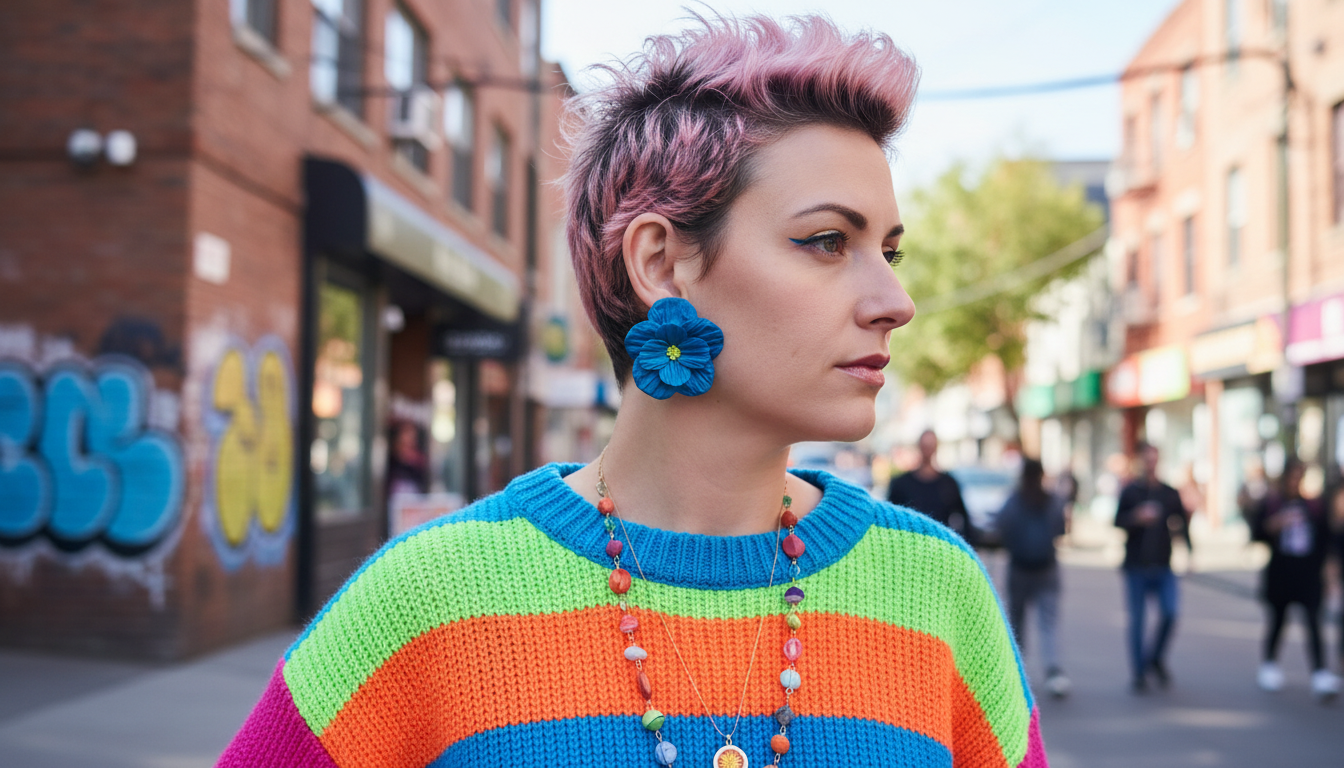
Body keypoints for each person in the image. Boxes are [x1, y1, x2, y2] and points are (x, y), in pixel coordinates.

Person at [217, 14, 1047, 768]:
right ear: (659, 262)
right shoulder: (430, 599)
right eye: (828, 241)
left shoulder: (939, 593)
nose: (895, 302)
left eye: (889, 253)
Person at [1250, 460, 1339, 700]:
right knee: (1278, 621)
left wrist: (1328, 571)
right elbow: (1256, 532)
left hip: (1307, 575)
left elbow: (1325, 539)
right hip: (1281, 573)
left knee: (1312, 622)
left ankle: (1320, 672)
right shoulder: (1272, 504)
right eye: (1291, 477)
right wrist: (1274, 525)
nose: (1295, 482)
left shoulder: (1313, 506)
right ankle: (1269, 663)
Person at [1114, 441, 1188, 693]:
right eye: (1147, 459)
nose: (1151, 464)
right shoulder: (1131, 491)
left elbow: (1181, 522)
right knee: (1137, 621)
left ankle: (1155, 658)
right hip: (1136, 567)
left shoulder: (1169, 493)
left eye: (1155, 459)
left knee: (1170, 612)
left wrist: (1189, 550)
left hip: (1163, 566)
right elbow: (1118, 521)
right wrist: (1136, 517)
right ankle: (1139, 672)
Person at [996, 459, 1070, 698]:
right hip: (1047, 568)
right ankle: (1053, 671)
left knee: (1017, 624)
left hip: (1019, 569)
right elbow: (1060, 529)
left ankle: (1017, 676)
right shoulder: (1052, 500)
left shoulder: (1014, 500)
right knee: (1047, 623)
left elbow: (1002, 526)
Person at [887, 429, 974, 540]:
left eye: (931, 445)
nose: (927, 449)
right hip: (910, 545)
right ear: (919, 446)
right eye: (925, 445)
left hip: (941, 545)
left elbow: (963, 517)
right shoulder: (901, 484)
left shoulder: (948, 484)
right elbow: (891, 517)